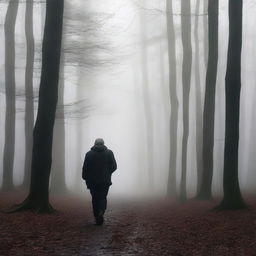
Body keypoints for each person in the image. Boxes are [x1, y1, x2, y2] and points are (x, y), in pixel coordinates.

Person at [82, 138, 117, 225]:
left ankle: (96, 215)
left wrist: (85, 177)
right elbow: (114, 166)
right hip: (105, 181)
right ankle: (101, 211)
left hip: (92, 181)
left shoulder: (89, 154)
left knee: (95, 199)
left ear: (95, 143)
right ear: (103, 143)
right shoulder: (109, 153)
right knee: (103, 197)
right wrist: (108, 173)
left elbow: (85, 168)